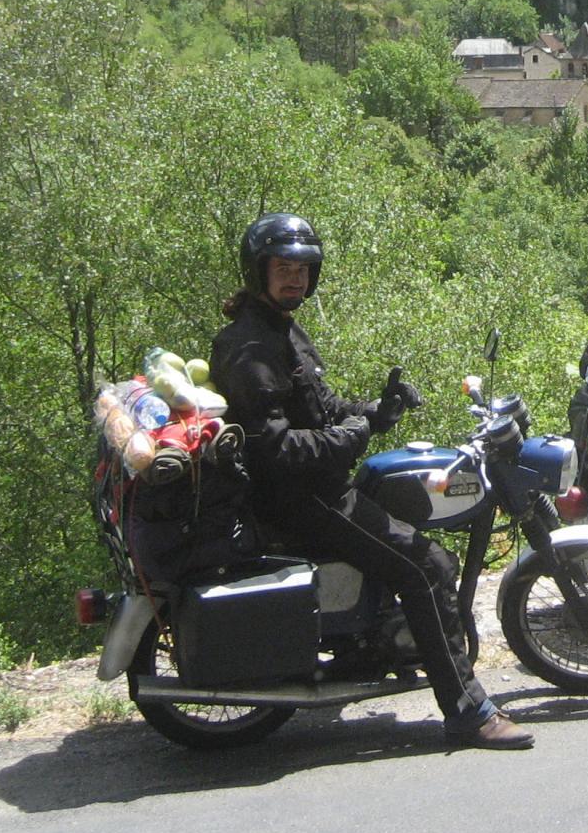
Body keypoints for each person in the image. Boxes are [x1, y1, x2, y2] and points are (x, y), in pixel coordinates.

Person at [210, 213, 535, 750]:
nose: (295, 278)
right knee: (427, 567)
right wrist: (351, 437)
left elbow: (320, 406)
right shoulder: (250, 349)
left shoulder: (279, 329)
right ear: (258, 270)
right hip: (301, 498)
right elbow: (276, 449)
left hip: (313, 489)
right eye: (283, 268)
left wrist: (375, 412)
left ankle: (371, 649)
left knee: (403, 534)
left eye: (303, 269)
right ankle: (467, 712)